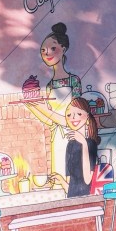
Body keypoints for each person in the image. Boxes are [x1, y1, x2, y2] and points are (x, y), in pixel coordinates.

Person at [26, 22, 82, 179]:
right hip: (56, 138)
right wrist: (32, 106)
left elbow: (73, 118)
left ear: (63, 49)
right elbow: (50, 121)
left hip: (72, 136)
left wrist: (43, 108)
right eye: (43, 51)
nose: (47, 53)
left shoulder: (74, 81)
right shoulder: (50, 86)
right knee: (58, 177)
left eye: (52, 48)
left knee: (72, 177)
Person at [52, 97, 99, 198]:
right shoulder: (70, 145)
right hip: (72, 199)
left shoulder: (90, 144)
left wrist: (84, 143)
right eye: (69, 115)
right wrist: (61, 180)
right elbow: (70, 188)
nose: (73, 117)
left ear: (87, 117)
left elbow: (87, 180)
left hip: (87, 199)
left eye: (79, 114)